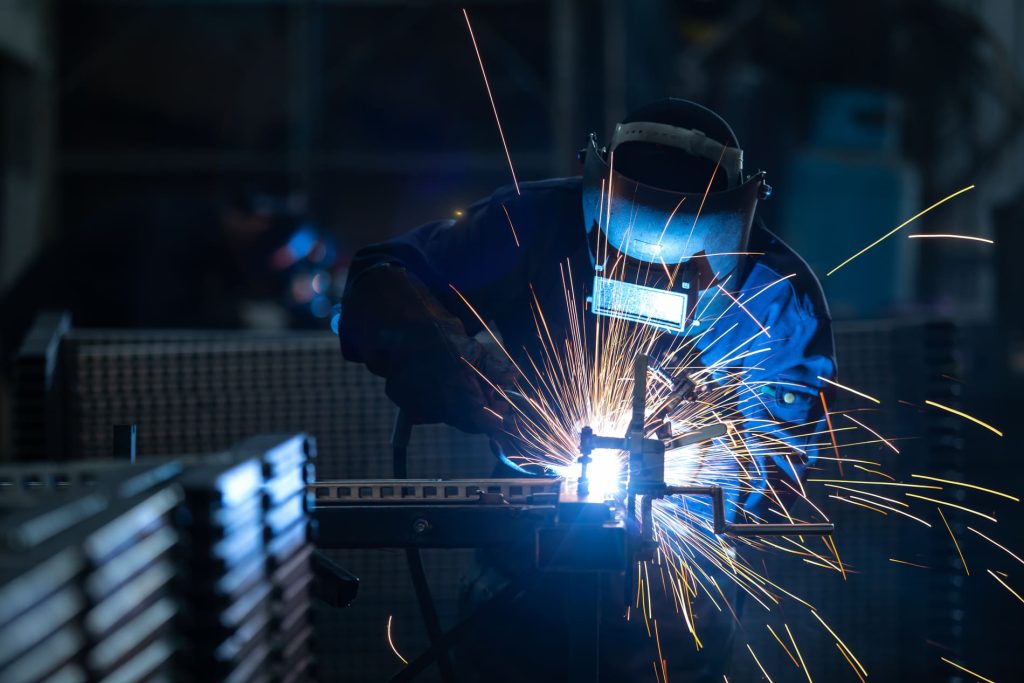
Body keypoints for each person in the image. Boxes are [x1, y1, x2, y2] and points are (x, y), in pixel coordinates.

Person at [339, 99, 836, 681]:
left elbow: (780, 459)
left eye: (684, 268)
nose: (654, 282)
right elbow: (381, 278)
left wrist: (697, 470)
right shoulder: (536, 223)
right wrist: (460, 365)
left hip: (675, 610)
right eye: (627, 261)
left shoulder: (777, 295)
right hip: (517, 579)